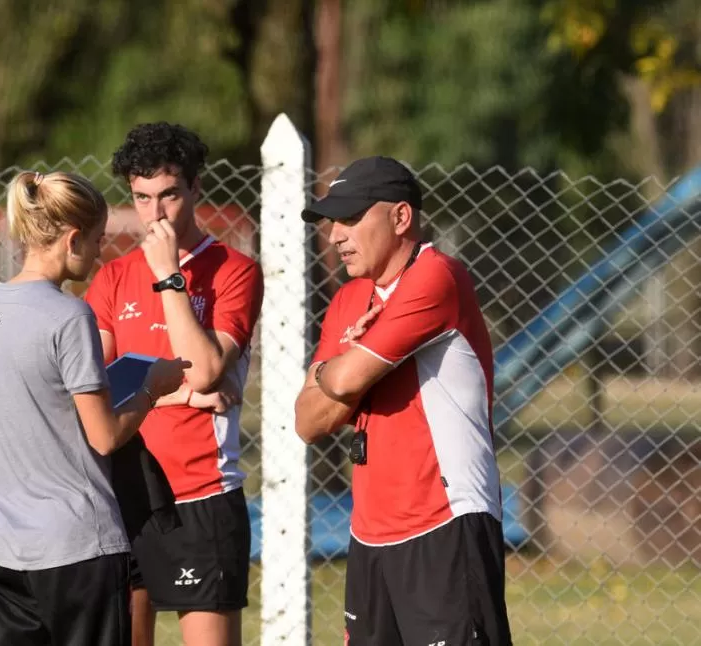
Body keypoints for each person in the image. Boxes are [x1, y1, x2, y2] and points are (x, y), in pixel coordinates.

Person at [0, 170, 190, 646]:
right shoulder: (70, 315)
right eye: (97, 240)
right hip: (77, 551)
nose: (100, 252)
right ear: (71, 240)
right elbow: (104, 436)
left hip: (2, 549)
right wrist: (150, 387)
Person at [294, 156, 513, 646]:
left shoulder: (437, 276)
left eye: (351, 219)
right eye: (333, 223)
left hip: (446, 521)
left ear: (400, 218)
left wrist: (336, 372)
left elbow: (343, 383)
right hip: (370, 531)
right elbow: (308, 421)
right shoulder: (350, 299)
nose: (335, 236)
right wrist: (347, 371)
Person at [85, 122, 264, 646]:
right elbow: (95, 387)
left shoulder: (235, 270)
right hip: (124, 497)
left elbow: (207, 367)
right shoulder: (113, 277)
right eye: (141, 198)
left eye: (168, 195)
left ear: (195, 189)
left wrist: (168, 277)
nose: (155, 213)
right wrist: (181, 392)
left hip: (200, 495)